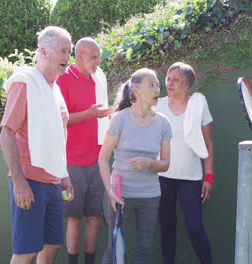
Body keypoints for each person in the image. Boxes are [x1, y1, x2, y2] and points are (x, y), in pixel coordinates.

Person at [0, 26, 75, 264]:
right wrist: (19, 181)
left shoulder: (55, 89)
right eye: (62, 51)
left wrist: (64, 176)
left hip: (52, 181)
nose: (67, 58)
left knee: (51, 247)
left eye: (69, 51)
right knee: (26, 252)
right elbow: (6, 132)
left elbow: (57, 138)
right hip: (29, 180)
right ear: (44, 51)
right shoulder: (25, 84)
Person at [99, 68, 172, 264]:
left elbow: (165, 164)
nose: (157, 89)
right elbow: (103, 157)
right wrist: (111, 191)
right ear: (136, 90)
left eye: (157, 84)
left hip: (150, 196)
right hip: (121, 196)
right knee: (113, 251)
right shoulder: (119, 119)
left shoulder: (164, 123)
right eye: (151, 85)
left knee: (144, 251)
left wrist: (150, 163)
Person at [56, 37, 112, 264]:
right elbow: (61, 119)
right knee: (74, 219)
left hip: (98, 160)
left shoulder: (99, 79)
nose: (98, 62)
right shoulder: (63, 80)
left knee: (94, 218)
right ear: (79, 57)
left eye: (99, 56)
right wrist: (89, 114)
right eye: (93, 57)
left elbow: (103, 114)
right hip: (72, 162)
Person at [154, 62, 214, 264]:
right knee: (167, 228)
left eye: (176, 79)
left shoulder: (198, 105)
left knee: (194, 227)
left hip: (190, 179)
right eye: (168, 79)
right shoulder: (158, 104)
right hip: (162, 178)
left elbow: (208, 143)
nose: (169, 83)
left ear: (187, 85)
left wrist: (209, 175)